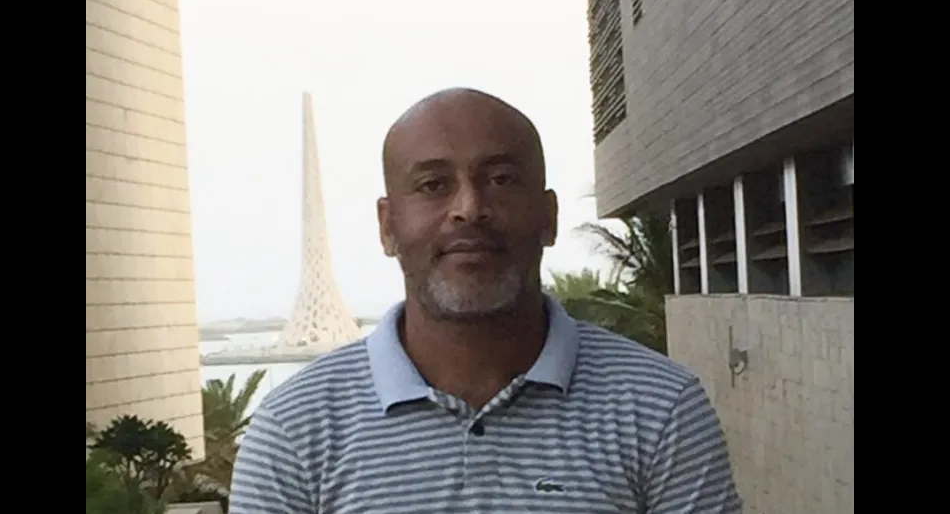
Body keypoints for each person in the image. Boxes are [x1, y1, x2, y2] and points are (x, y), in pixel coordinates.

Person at [229, 88, 743, 513]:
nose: (469, 208)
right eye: (433, 184)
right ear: (388, 227)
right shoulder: (295, 431)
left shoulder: (660, 408)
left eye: (501, 180)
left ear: (548, 217)